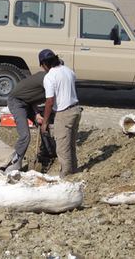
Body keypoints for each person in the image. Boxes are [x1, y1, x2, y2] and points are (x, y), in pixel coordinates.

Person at [39, 48, 82, 178]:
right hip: (76, 110)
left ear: (45, 63)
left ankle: (66, 176)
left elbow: (50, 102)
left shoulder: (50, 77)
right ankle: (74, 171)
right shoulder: (69, 71)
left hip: (64, 114)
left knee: (62, 148)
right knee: (71, 144)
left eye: (42, 65)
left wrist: (45, 122)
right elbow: (75, 90)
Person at [6, 71, 47, 163]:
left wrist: (37, 114)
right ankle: (13, 163)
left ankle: (48, 152)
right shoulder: (45, 78)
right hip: (16, 102)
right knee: (25, 135)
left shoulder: (53, 79)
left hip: (28, 102)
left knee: (44, 123)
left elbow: (32, 97)